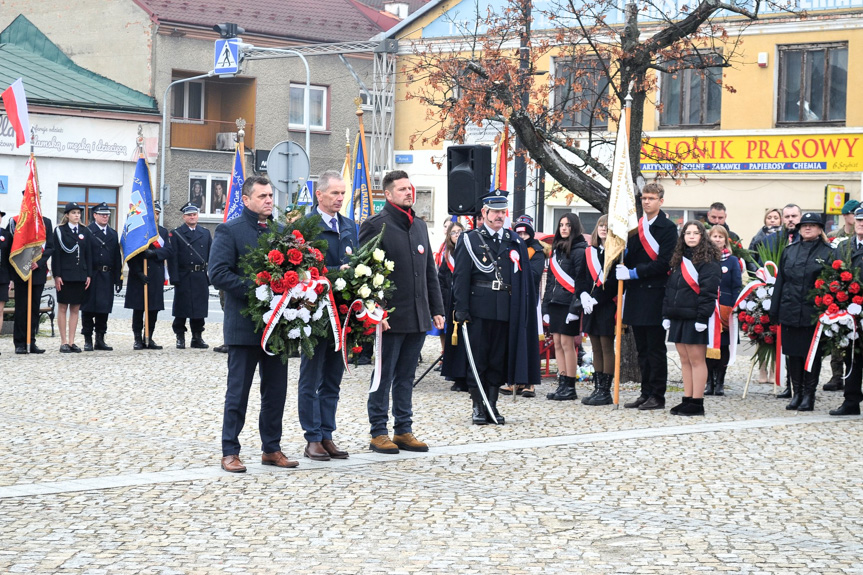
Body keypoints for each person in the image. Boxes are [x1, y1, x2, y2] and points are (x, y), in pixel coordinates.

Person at [209, 175, 298, 473]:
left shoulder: (282, 231)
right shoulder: (229, 230)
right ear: (246, 200)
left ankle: (271, 448)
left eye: (271, 195)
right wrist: (255, 288)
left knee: (276, 391)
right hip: (245, 326)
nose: (269, 200)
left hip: (277, 328)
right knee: (239, 392)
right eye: (262, 196)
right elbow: (218, 273)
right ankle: (229, 451)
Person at [358, 170, 444, 453]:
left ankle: (403, 429)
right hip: (389, 318)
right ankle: (378, 431)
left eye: (411, 188)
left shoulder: (418, 225)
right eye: (403, 189)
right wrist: (375, 311)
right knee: (384, 374)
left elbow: (429, 270)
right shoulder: (376, 225)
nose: (409, 192)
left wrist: (436, 308)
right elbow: (365, 273)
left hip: (418, 314)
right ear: (389, 194)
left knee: (407, 375)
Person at [452, 190, 541, 424]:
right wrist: (461, 308)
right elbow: (460, 276)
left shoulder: (514, 240)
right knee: (478, 360)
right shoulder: (471, 239)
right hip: (478, 309)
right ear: (485, 212)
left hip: (505, 309)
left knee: (497, 360)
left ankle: (492, 405)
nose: (500, 216)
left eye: (503, 211)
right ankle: (478, 406)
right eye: (495, 212)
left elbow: (522, 280)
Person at [297, 170, 357, 461]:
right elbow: (301, 272)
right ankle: (312, 438)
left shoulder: (349, 226)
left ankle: (327, 433)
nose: (340, 198)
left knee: (333, 379)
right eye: (334, 193)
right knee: (311, 378)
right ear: (319, 194)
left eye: (343, 193)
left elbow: (356, 261)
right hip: (314, 313)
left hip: (342, 314)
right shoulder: (305, 227)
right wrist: (336, 273)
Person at [617, 182, 679, 410]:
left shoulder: (668, 228)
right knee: (641, 349)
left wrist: (634, 272)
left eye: (651, 198)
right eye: (644, 198)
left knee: (655, 349)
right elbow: (631, 257)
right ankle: (645, 393)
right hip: (636, 296)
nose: (646, 202)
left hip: (654, 294)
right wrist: (622, 256)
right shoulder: (635, 227)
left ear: (661, 201)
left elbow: (664, 263)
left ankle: (658, 395)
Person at [770, 212, 833, 411]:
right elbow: (781, 281)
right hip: (789, 309)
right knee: (792, 354)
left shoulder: (828, 252)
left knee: (811, 355)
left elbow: (831, 283)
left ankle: (809, 395)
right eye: (804, 225)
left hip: (812, 312)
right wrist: (775, 309)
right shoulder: (790, 251)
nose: (807, 228)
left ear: (820, 228)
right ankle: (796, 393)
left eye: (812, 225)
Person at [662, 221, 721, 416]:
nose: (692, 236)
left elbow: (708, 292)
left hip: (695, 317)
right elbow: (670, 289)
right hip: (678, 316)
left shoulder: (709, 261)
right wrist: (666, 314)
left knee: (697, 360)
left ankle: (697, 402)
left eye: (696, 233)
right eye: (688, 233)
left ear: (702, 236)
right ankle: (687, 399)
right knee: (684, 359)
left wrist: (702, 318)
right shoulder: (678, 259)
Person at [542, 213, 588, 401]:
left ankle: (570, 385)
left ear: (574, 227)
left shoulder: (579, 250)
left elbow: (580, 281)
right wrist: (545, 307)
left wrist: (574, 309)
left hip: (568, 304)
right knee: (558, 344)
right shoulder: (557, 250)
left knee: (568, 345)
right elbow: (551, 280)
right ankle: (562, 382)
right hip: (555, 303)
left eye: (568, 225)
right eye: (561, 225)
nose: (563, 228)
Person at [8, 192, 54, 354]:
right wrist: (25, 263)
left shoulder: (45, 222)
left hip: (38, 272)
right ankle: (20, 342)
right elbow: (11, 248)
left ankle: (31, 340)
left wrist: (39, 262)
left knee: (34, 308)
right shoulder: (15, 221)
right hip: (22, 272)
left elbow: (50, 247)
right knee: (22, 308)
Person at [506, 214, 547, 397]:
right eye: (519, 233)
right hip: (513, 300)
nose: (521, 237)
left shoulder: (536, 252)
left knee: (529, 341)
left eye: (525, 234)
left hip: (530, 300)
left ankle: (529, 382)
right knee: (512, 340)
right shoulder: (510, 249)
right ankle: (514, 380)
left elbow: (535, 274)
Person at [580, 215, 619, 406]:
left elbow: (613, 283)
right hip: (590, 305)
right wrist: (583, 295)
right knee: (595, 347)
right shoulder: (590, 252)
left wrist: (596, 299)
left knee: (606, 346)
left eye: (607, 226)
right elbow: (581, 278)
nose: (603, 229)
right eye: (600, 225)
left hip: (606, 305)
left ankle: (605, 390)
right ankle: (597, 388)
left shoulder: (617, 253)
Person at [124, 201, 172, 350]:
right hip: (138, 275)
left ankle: (149, 337)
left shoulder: (162, 232)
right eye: (153, 213)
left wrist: (154, 253)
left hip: (155, 275)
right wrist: (138, 271)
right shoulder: (137, 230)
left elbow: (169, 251)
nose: (155, 216)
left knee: (153, 310)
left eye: (157, 214)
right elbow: (130, 252)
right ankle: (138, 338)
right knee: (138, 309)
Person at [829, 207, 863, 416]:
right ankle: (851, 401)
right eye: (859, 220)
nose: (861, 223)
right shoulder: (844, 247)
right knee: (851, 356)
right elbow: (832, 275)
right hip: (848, 312)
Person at [168, 202, 212, 349]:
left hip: (200, 275)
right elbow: (172, 257)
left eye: (194, 214)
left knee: (199, 308)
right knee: (181, 308)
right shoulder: (177, 233)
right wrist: (174, 277)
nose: (192, 217)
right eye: (189, 215)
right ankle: (180, 336)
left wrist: (210, 275)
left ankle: (197, 336)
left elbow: (211, 255)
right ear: (184, 217)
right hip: (184, 274)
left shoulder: (205, 233)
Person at [705, 225, 742, 396]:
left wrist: (734, 307)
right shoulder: (704, 259)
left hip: (726, 307)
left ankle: (720, 381)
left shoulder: (732, 261)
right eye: (714, 236)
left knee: (724, 345)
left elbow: (736, 285)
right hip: (708, 307)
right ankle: (708, 382)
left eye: (721, 237)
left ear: (726, 240)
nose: (717, 239)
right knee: (707, 345)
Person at [81, 202, 122, 351]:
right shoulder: (87, 231)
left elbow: (116, 257)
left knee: (103, 309)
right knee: (88, 308)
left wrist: (118, 278)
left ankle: (100, 338)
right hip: (92, 275)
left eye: (107, 214)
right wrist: (85, 274)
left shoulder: (112, 233)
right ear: (95, 215)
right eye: (102, 214)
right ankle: (87, 339)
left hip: (107, 275)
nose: (105, 217)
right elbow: (84, 256)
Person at [52, 202, 91, 353]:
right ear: (67, 215)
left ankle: (72, 341)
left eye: (78, 213)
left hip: (80, 274)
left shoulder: (84, 231)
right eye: (73, 213)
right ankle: (63, 341)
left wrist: (88, 274)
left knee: (76, 308)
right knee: (63, 307)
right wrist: (57, 275)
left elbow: (88, 254)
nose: (77, 215)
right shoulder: (60, 231)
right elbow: (57, 255)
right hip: (65, 275)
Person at [439, 220, 468, 393]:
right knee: (453, 341)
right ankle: (456, 376)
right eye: (454, 233)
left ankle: (466, 375)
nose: (457, 235)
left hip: (465, 303)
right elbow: (441, 280)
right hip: (451, 303)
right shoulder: (447, 255)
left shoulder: (469, 251)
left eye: (459, 232)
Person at [0, 210, 11, 350]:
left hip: (2, 277)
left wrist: (11, 279)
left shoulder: (6, 235)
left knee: (0, 310)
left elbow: (10, 258)